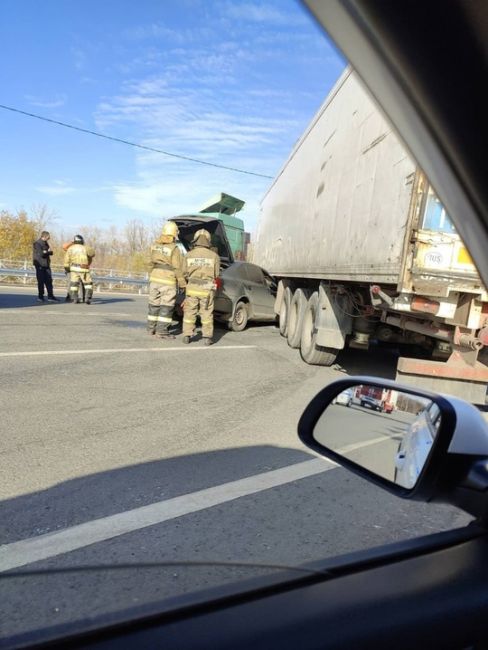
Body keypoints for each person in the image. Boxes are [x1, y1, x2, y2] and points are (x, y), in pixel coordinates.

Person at [147, 221, 186, 339]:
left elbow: (149, 263)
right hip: (168, 281)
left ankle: (151, 328)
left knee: (154, 304)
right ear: (174, 234)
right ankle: (162, 331)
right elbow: (177, 268)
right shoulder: (174, 249)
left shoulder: (154, 246)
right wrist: (183, 283)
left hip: (154, 279)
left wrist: (152, 275)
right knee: (166, 305)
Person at [182, 229, 220, 346]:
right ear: (208, 240)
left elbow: (184, 273)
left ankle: (187, 336)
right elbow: (216, 274)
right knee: (207, 313)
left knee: (190, 312)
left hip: (192, 287)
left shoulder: (189, 255)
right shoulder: (214, 256)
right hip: (207, 288)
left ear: (196, 239)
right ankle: (207, 337)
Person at [63, 235, 96, 304]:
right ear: (82, 241)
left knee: (74, 284)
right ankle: (87, 298)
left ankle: (74, 299)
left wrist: (66, 267)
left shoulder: (70, 248)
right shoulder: (85, 248)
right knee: (88, 284)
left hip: (74, 269)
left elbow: (66, 259)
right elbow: (92, 254)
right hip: (84, 268)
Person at [32, 231, 58, 302]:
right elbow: (41, 254)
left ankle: (50, 296)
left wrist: (47, 252)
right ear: (44, 236)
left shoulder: (46, 243)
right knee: (41, 281)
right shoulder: (37, 243)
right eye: (48, 237)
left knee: (49, 281)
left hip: (46, 264)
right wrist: (47, 252)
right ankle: (40, 297)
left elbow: (50, 252)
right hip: (40, 265)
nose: (49, 238)